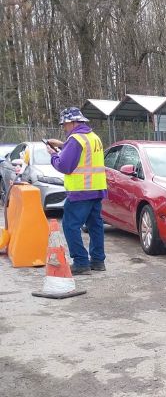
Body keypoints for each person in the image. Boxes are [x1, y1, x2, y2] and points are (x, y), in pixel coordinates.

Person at [46, 107, 107, 274]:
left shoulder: (75, 139)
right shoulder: (93, 137)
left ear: (72, 123)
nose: (64, 128)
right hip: (97, 189)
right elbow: (82, 154)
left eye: (64, 125)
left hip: (81, 191)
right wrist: (62, 145)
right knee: (95, 226)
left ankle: (81, 262)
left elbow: (64, 166)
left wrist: (53, 155)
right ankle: (98, 261)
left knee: (70, 226)